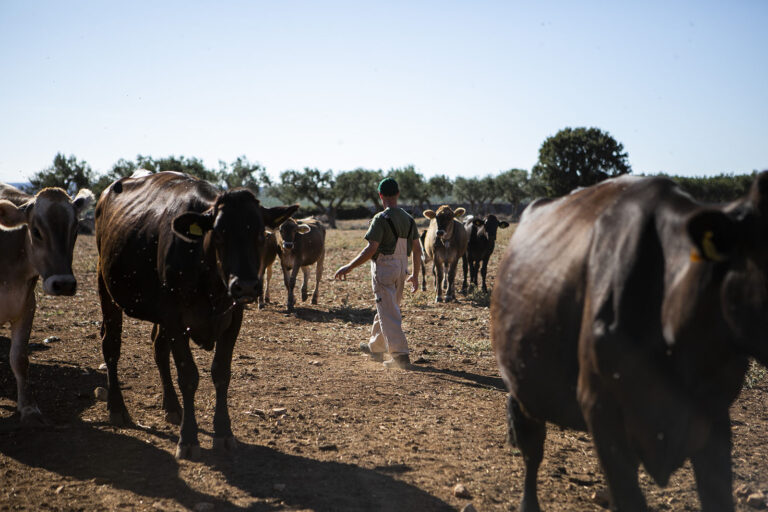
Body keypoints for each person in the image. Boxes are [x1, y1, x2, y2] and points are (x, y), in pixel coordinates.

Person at [334, 177, 421, 369]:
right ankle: (376, 347)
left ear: (380, 196)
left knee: (388, 311)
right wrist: (415, 275)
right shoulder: (409, 219)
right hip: (402, 268)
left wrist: (349, 267)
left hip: (384, 267)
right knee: (387, 308)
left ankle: (401, 355)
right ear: (398, 194)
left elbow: (371, 249)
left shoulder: (380, 219)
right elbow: (417, 249)